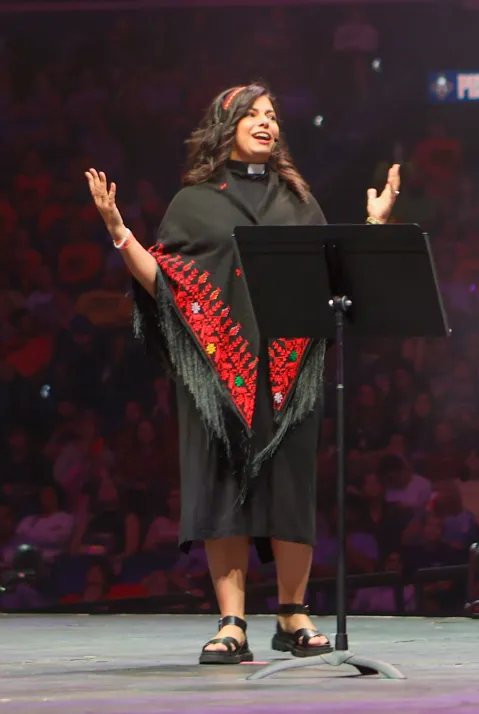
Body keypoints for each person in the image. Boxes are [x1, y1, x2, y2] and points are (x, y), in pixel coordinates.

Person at [85, 83, 400, 664]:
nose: (266, 122)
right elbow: (166, 284)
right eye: (253, 114)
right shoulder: (194, 202)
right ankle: (232, 622)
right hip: (215, 374)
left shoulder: (299, 201)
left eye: (273, 115)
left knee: (292, 488)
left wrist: (374, 226)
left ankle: (292, 614)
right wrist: (118, 232)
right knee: (221, 487)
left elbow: (338, 280)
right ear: (225, 124)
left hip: (290, 369)